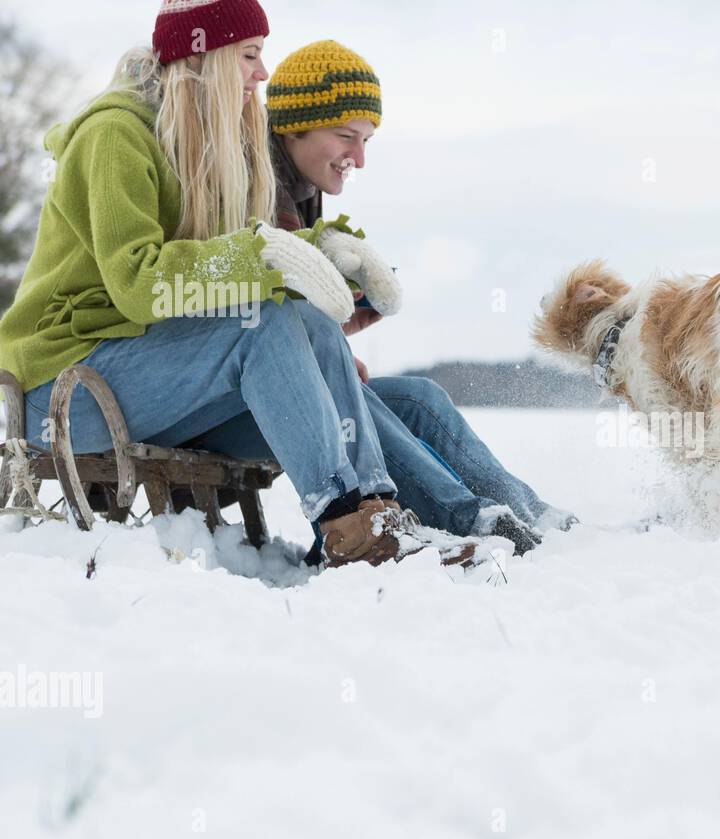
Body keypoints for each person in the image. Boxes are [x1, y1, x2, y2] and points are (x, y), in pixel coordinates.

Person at [0, 0, 464, 568]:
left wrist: (328, 255)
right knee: (262, 326)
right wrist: (262, 254)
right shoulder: (114, 135)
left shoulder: (203, 144)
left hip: (145, 374)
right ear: (207, 55)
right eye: (249, 55)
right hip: (65, 387)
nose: (261, 73)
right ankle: (348, 528)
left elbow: (235, 271)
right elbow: (139, 286)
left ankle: (377, 517)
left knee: (313, 329)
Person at [183, 39, 576, 560]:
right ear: (291, 126)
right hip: (226, 403)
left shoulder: (301, 189)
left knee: (418, 398)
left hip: (275, 385)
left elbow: (302, 323)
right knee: (365, 402)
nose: (360, 158)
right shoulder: (252, 187)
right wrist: (337, 346)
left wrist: (359, 300)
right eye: (347, 136)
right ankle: (464, 516)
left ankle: (524, 509)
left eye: (367, 139)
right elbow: (253, 320)